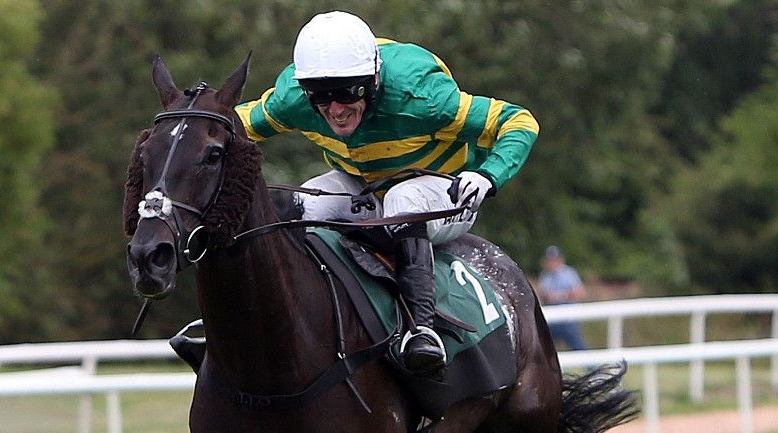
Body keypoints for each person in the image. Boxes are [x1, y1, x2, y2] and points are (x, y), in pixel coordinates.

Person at [235, 11, 539, 375]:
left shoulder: (422, 96)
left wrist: (488, 176)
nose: (334, 109)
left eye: (346, 92)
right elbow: (228, 125)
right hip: (361, 187)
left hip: (441, 191)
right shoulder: (293, 99)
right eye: (320, 95)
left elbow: (518, 120)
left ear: (373, 80)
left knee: (402, 201)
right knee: (305, 200)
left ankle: (422, 331)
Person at [537, 245, 588, 351]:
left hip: (568, 318)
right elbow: (544, 296)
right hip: (552, 319)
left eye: (554, 259)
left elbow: (580, 293)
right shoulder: (545, 276)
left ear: (560, 259)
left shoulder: (569, 273)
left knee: (578, 346)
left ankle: (591, 365)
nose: (552, 262)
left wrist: (561, 296)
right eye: (549, 259)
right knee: (542, 346)